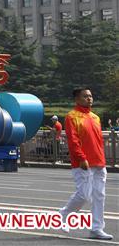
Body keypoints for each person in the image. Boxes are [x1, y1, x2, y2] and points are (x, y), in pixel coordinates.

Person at [58, 88, 111, 240]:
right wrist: (81, 158)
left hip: (99, 162)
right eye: (85, 96)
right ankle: (64, 213)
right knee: (84, 195)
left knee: (99, 196)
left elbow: (98, 141)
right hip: (83, 163)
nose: (89, 98)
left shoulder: (95, 117)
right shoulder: (71, 116)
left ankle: (97, 228)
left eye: (90, 96)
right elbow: (73, 140)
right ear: (77, 99)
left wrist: (102, 159)